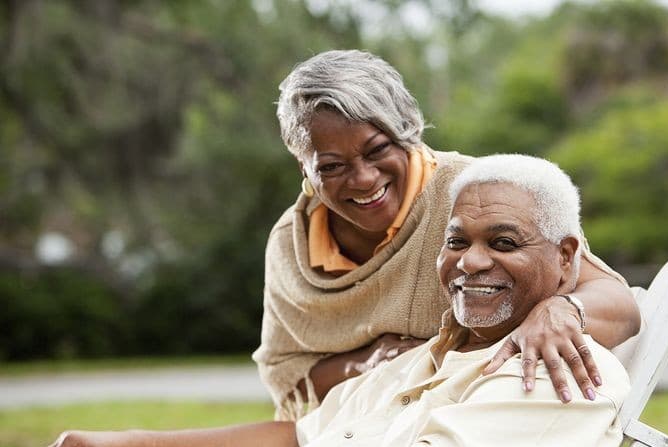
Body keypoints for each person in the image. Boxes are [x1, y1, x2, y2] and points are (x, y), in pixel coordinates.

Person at [23, 154, 630, 447]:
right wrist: (132, 446)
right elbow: (296, 440)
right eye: (455, 240)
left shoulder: (558, 367)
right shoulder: (426, 357)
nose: (471, 262)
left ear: (567, 258)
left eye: (503, 241)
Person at [254, 49, 639, 419]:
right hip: (355, 429)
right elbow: (286, 371)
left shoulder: (477, 194)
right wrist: (370, 363)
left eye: (377, 150)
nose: (364, 178)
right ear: (303, 166)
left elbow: (616, 302)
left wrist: (562, 309)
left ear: (406, 133)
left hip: (472, 418)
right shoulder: (292, 242)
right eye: (333, 166)